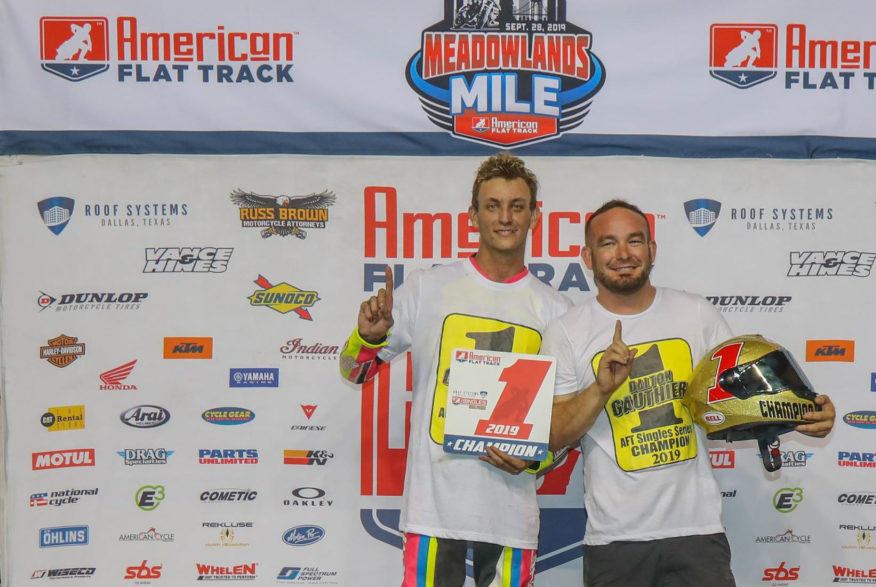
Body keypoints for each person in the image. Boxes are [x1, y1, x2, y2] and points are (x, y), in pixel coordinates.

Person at [541, 199, 835, 587]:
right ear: (588, 257)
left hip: (696, 533)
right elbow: (553, 435)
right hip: (615, 541)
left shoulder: (696, 315)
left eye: (635, 241)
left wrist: (804, 416)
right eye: (608, 244)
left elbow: (742, 399)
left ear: (652, 250)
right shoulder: (566, 332)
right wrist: (600, 389)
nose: (624, 254)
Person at [340, 153, 571, 587]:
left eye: (517, 206)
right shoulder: (429, 288)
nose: (505, 217)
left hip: (510, 519)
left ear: (535, 216)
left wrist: (536, 457)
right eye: (493, 205)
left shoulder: (556, 310)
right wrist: (367, 338)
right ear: (472, 216)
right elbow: (354, 373)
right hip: (434, 513)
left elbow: (565, 424)